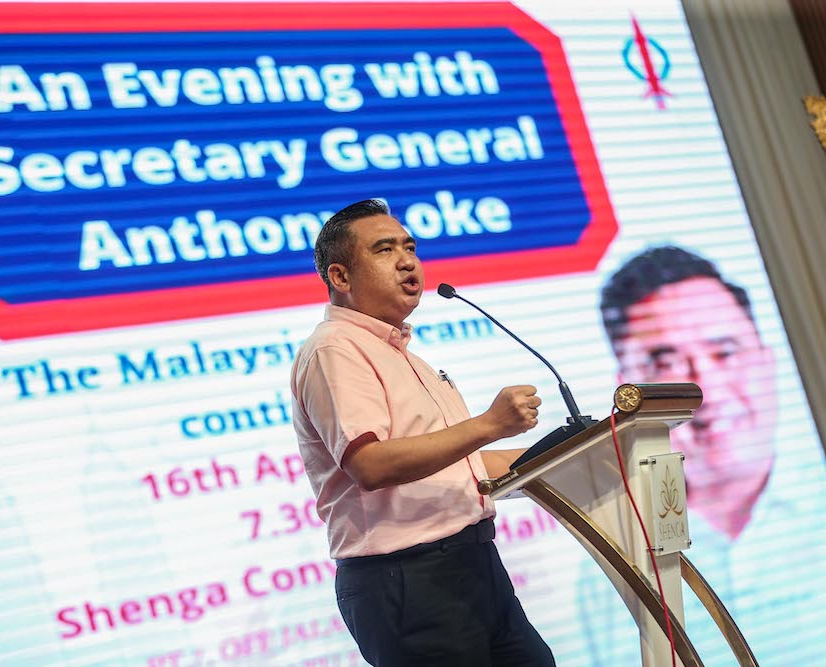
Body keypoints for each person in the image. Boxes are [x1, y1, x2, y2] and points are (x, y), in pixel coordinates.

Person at [290, 199, 556, 666]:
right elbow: (370, 465)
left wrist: (568, 455)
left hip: (473, 567)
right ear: (340, 277)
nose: (408, 260)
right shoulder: (334, 349)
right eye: (384, 249)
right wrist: (490, 424)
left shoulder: (403, 355)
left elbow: (463, 466)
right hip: (407, 580)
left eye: (410, 246)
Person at [577, 245, 826, 665]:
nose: (706, 388)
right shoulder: (613, 566)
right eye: (667, 361)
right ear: (628, 391)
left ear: (767, 360)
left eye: (725, 352)